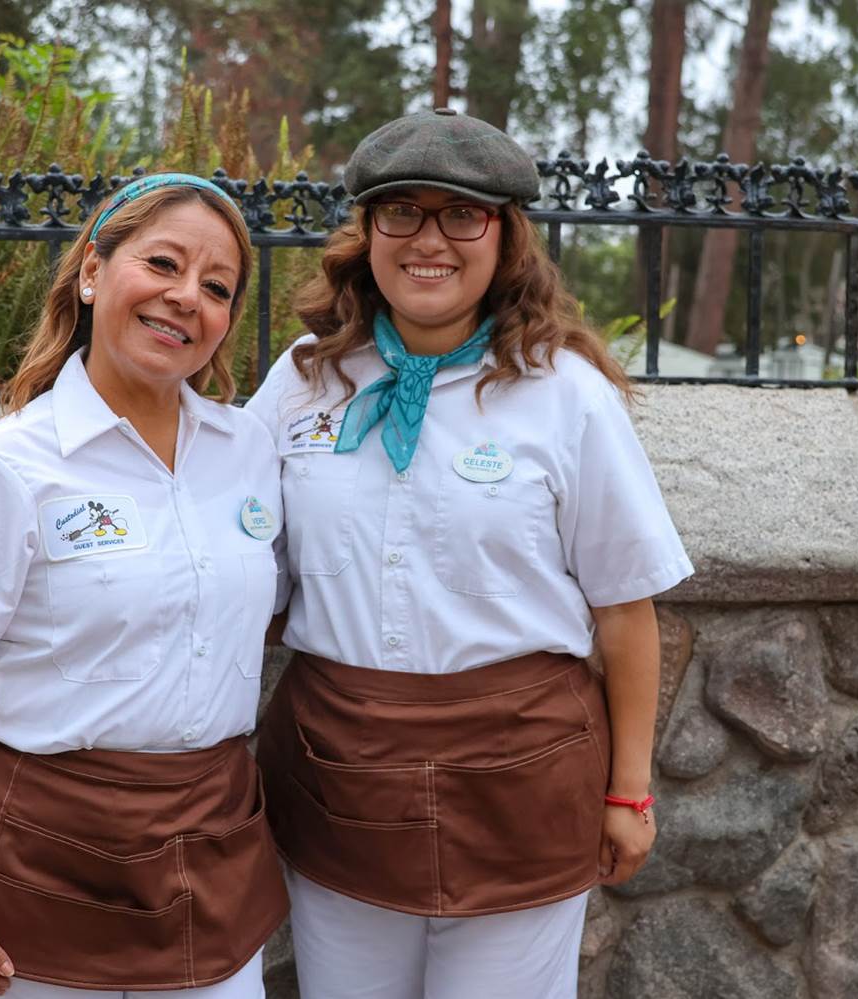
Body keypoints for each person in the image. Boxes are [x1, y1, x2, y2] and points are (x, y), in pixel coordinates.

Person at [245, 110, 693, 999]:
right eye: (401, 212)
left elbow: (625, 608)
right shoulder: (301, 381)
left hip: (520, 780)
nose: (429, 240)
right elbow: (242, 562)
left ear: (505, 235)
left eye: (461, 215)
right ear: (367, 231)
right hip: (341, 779)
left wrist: (629, 791)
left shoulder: (566, 394)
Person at [0, 173, 288, 999]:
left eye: (217, 287)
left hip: (212, 853)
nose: (187, 297)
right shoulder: (4, 467)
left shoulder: (249, 451)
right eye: (163, 264)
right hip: (37, 860)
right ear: (92, 272)